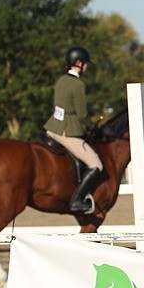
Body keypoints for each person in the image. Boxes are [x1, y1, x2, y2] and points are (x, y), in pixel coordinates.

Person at [43, 45, 105, 213]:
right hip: (67, 131)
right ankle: (77, 200)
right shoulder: (78, 85)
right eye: (85, 63)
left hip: (52, 126)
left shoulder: (61, 81)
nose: (86, 66)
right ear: (78, 63)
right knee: (96, 164)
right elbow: (82, 115)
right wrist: (93, 127)